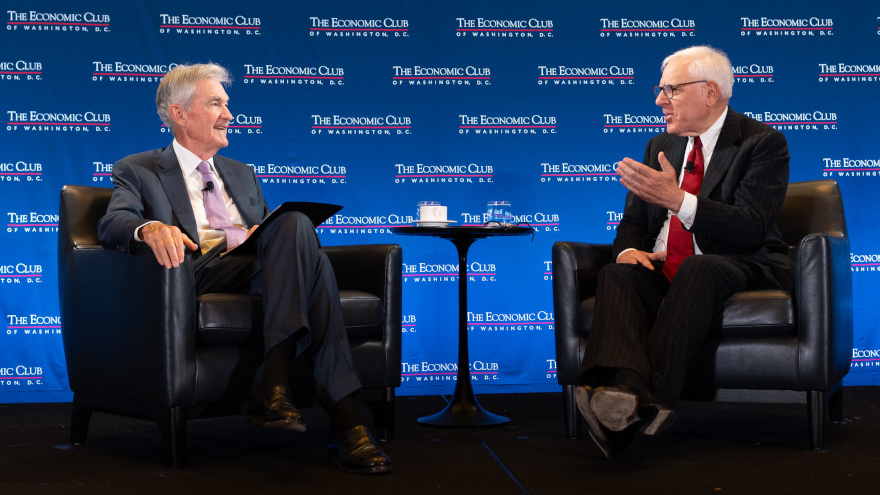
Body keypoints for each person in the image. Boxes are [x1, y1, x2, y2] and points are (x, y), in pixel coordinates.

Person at [97, 63, 391, 474]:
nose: (229, 114)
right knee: (309, 253)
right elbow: (112, 221)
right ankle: (340, 419)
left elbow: (280, 241)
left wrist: (261, 234)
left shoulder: (241, 172)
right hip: (200, 270)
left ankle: (280, 388)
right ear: (179, 113)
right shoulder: (139, 168)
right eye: (216, 103)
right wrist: (149, 228)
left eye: (227, 104)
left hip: (257, 269)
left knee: (298, 234)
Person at [575, 46, 794, 458]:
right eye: (660, 90)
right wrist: (628, 252)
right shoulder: (661, 144)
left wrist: (678, 201)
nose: (660, 100)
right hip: (663, 268)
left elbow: (751, 225)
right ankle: (627, 399)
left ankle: (640, 398)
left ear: (709, 92)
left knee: (699, 267)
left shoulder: (761, 143)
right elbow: (634, 222)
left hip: (740, 263)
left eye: (671, 90)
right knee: (616, 273)